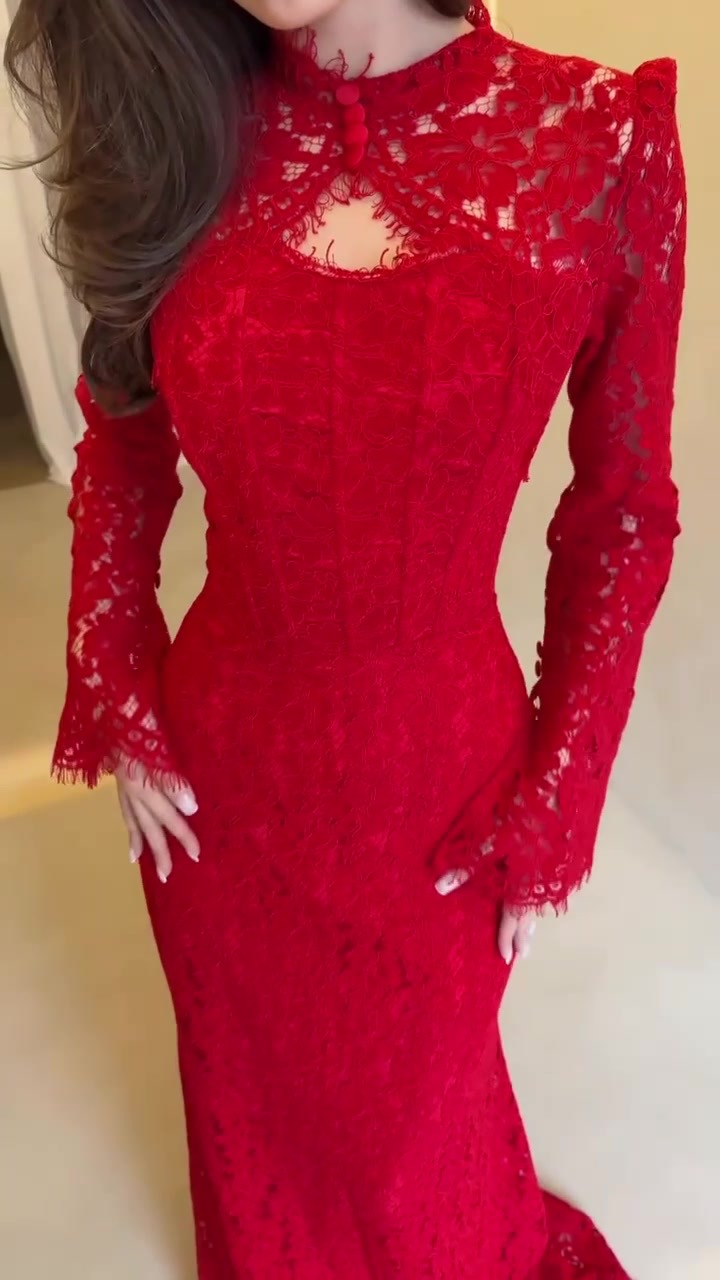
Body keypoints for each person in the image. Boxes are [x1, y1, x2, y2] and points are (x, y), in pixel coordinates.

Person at [6, 1, 685, 1275]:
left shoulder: (597, 138)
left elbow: (623, 517)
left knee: (415, 1137)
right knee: (256, 1123)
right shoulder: (179, 129)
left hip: (442, 790)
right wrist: (115, 670)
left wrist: (563, 792)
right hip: (221, 788)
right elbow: (124, 436)